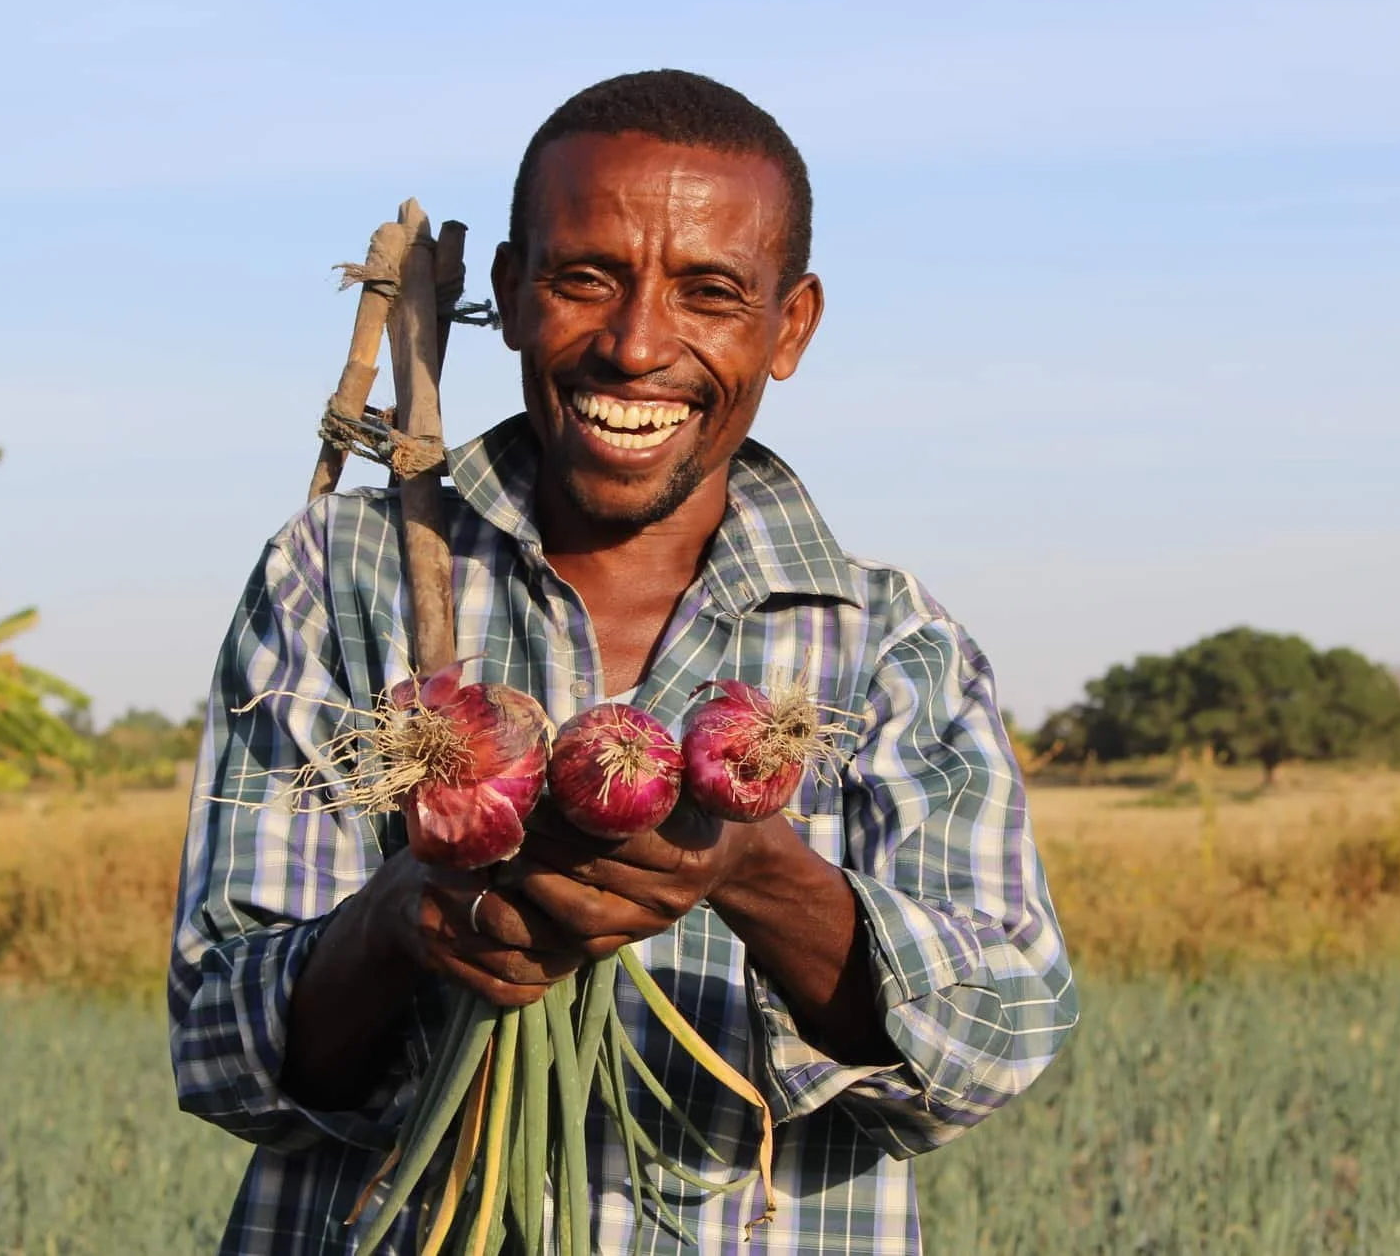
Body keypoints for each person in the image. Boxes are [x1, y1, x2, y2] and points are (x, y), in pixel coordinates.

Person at [169, 69, 1076, 1255]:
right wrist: (404, 917)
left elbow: (998, 1036)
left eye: (708, 292)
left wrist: (752, 869)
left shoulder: (890, 642)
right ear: (508, 290)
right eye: (584, 278)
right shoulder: (339, 577)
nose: (637, 345)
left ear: (787, 326)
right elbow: (216, 1046)